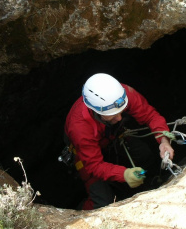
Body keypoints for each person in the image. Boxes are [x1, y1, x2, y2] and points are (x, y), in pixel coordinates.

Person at [64, 73, 174, 210]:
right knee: (103, 202)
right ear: (96, 111)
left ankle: (150, 181)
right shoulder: (79, 127)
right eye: (113, 115)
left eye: (121, 111)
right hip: (87, 155)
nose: (120, 118)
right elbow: (94, 165)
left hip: (114, 136)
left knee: (145, 155)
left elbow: (150, 115)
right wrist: (124, 174)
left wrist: (164, 140)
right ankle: (79, 212)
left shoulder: (121, 94)